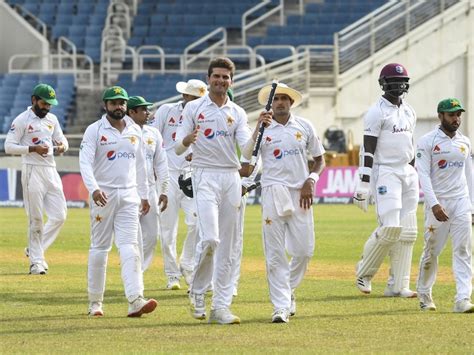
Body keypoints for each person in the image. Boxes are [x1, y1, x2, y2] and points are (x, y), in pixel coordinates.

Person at [175, 57, 269, 324]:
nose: (220, 81)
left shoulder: (237, 112)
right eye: (216, 76)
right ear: (209, 79)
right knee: (211, 239)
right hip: (204, 174)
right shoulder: (193, 108)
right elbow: (178, 149)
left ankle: (221, 307)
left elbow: (248, 150)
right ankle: (198, 289)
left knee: (228, 246)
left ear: (231, 81)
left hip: (230, 178)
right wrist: (187, 139)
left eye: (225, 77)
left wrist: (259, 128)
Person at [79, 86, 157, 317]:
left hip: (129, 196)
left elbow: (141, 165)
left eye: (122, 103)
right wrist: (93, 189)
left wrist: (143, 194)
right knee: (100, 248)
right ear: (105, 105)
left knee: (130, 247)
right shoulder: (94, 130)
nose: (118, 107)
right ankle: (95, 302)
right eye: (113, 103)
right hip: (104, 196)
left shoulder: (135, 129)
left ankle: (135, 299)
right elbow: (84, 162)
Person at [251, 83, 325, 323]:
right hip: (273, 191)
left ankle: (288, 289)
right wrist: (256, 131)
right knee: (274, 254)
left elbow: (319, 159)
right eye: (277, 99)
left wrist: (311, 179)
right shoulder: (264, 128)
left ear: (291, 103)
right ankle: (280, 306)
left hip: (301, 192)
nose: (280, 102)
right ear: (271, 103)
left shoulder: (304, 126)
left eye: (285, 99)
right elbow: (247, 157)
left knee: (304, 251)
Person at [353, 63, 419, 298]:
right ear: (383, 84)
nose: (399, 85)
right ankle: (363, 271)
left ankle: (398, 285)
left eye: (402, 81)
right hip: (386, 172)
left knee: (408, 232)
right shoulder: (376, 112)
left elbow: (410, 144)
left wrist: (413, 172)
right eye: (393, 80)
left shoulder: (410, 111)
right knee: (391, 227)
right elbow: (368, 149)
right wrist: (363, 182)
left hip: (407, 173)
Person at [415, 98, 474, 313]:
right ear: (440, 116)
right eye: (451, 115)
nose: (456, 119)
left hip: (461, 203)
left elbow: (470, 175)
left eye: (458, 114)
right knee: (432, 250)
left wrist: (472, 207)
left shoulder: (465, 142)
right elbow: (423, 175)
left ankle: (462, 299)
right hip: (438, 203)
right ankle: (424, 294)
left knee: (464, 250)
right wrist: (434, 204)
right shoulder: (427, 141)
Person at [5, 83, 68, 275]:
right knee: (36, 219)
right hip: (32, 170)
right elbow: (9, 146)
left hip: (51, 170)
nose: (47, 107)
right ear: (34, 100)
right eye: (44, 103)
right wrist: (32, 149)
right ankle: (36, 262)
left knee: (60, 216)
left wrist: (62, 146)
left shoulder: (52, 119)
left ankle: (33, 250)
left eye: (50, 104)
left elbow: (62, 139)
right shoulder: (22, 120)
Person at [150, 79, 207, 290]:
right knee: (167, 229)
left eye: (200, 99)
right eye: (193, 98)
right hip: (168, 175)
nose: (197, 103)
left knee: (197, 222)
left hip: (194, 175)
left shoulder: (205, 115)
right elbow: (154, 137)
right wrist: (155, 170)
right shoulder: (167, 110)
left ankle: (187, 263)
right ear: (184, 96)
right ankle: (172, 275)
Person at [127, 96, 169, 272]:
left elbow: (161, 162)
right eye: (144, 110)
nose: (148, 113)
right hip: (129, 189)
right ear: (132, 112)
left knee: (152, 236)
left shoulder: (154, 133)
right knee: (130, 237)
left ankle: (137, 273)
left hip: (150, 189)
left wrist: (164, 190)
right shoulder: (123, 131)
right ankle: (131, 273)